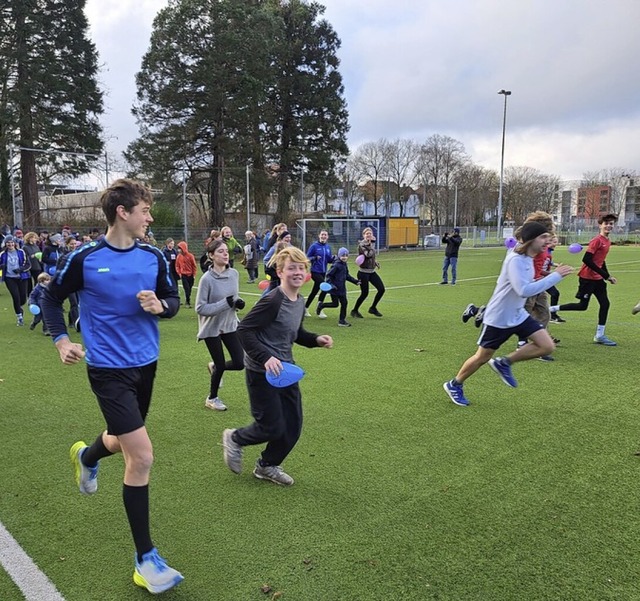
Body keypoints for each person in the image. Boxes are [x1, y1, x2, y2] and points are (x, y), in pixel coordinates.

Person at [40, 178, 183, 594]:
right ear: (123, 212)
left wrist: (162, 307)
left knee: (121, 440)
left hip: (147, 365)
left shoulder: (155, 256)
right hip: (107, 370)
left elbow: (171, 300)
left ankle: (86, 455)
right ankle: (145, 560)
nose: (150, 218)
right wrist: (62, 340)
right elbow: (50, 298)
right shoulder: (84, 257)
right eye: (144, 210)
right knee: (141, 455)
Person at [221, 246, 333, 486]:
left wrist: (315, 340)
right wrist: (265, 357)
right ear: (280, 272)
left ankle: (267, 466)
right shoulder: (273, 300)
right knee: (271, 426)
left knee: (293, 425)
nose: (297, 272)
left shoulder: (299, 300)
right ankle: (235, 438)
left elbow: (295, 334)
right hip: (261, 372)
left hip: (285, 371)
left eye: (301, 268)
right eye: (291, 268)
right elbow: (244, 330)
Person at [443, 221, 574, 407]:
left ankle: (504, 363)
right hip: (499, 317)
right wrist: (556, 276)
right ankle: (454, 384)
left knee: (547, 346)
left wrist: (549, 272)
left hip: (517, 314)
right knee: (482, 357)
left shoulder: (528, 258)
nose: (548, 240)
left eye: (548, 237)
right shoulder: (515, 259)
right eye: (543, 237)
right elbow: (523, 290)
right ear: (530, 240)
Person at [549, 213, 618, 346]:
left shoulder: (607, 241)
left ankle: (599, 335)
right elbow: (586, 259)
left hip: (598, 279)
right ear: (600, 225)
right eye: (606, 223)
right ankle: (550, 309)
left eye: (611, 223)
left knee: (605, 304)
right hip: (587, 278)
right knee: (582, 306)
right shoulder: (597, 240)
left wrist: (607, 276)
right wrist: (605, 275)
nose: (609, 226)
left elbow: (601, 262)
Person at [195, 238, 245, 411]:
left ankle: (215, 367)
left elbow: (233, 299)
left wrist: (238, 304)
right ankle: (212, 398)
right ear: (211, 256)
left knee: (240, 363)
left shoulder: (234, 274)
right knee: (222, 364)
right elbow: (200, 308)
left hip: (230, 324)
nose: (225, 254)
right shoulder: (206, 279)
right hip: (212, 328)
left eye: (226, 251)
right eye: (220, 251)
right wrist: (226, 303)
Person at [317, 247, 359, 326]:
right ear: (339, 256)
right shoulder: (336, 265)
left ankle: (322, 305)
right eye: (343, 255)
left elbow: (346, 275)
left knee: (337, 304)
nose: (344, 257)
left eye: (346, 255)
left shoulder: (344, 264)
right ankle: (341, 321)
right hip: (335, 289)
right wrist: (332, 285)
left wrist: (355, 281)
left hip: (342, 288)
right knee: (341, 303)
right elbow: (328, 275)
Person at [351, 227, 385, 318]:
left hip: (371, 272)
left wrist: (375, 262)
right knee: (364, 293)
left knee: (381, 289)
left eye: (370, 233)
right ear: (364, 235)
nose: (369, 235)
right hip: (363, 273)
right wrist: (372, 245)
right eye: (367, 234)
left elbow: (371, 257)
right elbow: (368, 255)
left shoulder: (370, 244)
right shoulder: (362, 245)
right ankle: (354, 310)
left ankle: (373, 308)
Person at [0, 235, 31, 325]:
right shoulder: (2, 254)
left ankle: (19, 308)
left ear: (15, 243)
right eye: (8, 242)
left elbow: (28, 265)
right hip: (9, 278)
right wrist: (1, 267)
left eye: (12, 242)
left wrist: (20, 269)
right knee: (15, 296)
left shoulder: (21, 252)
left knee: (23, 298)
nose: (10, 244)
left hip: (22, 277)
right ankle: (19, 317)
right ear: (5, 244)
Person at [305, 229, 334, 318]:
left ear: (327, 237)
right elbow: (307, 258)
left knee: (315, 291)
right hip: (315, 271)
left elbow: (329, 260)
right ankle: (319, 309)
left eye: (325, 235)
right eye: (322, 234)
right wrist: (314, 258)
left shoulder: (328, 247)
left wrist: (335, 259)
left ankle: (305, 308)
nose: (323, 236)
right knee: (325, 287)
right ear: (319, 235)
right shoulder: (314, 246)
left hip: (323, 272)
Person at [546, 236, 566, 323]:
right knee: (554, 293)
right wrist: (554, 273)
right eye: (554, 242)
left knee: (555, 294)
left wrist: (554, 265)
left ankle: (552, 315)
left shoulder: (548, 252)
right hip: (540, 279)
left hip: (544, 278)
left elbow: (548, 262)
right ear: (548, 242)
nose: (556, 244)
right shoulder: (545, 252)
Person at [175, 240, 197, 307]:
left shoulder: (190, 256)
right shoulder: (179, 257)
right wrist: (179, 273)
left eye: (180, 248)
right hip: (183, 275)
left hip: (190, 275)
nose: (179, 250)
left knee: (190, 288)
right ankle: (188, 301)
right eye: (178, 249)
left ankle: (188, 299)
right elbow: (177, 265)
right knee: (186, 288)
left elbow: (194, 265)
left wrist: (194, 274)